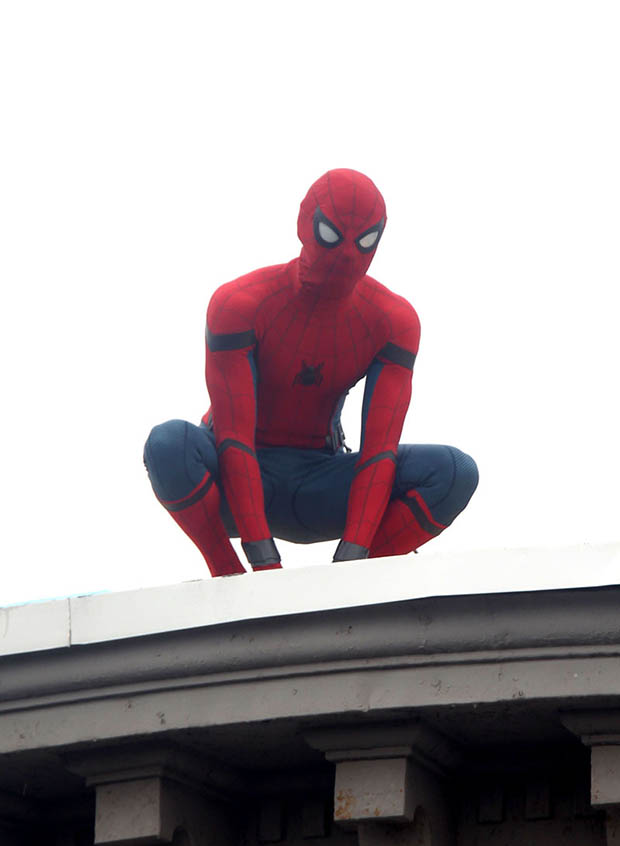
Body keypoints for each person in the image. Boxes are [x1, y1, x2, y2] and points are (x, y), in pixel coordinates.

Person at [144, 169, 478, 576]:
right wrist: (262, 565)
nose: (347, 256)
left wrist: (351, 564)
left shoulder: (392, 321)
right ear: (306, 223)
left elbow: (380, 452)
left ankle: (355, 584)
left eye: (365, 242)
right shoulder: (241, 303)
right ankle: (227, 576)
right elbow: (233, 439)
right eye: (331, 236)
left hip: (319, 481)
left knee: (454, 472)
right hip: (235, 480)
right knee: (168, 444)